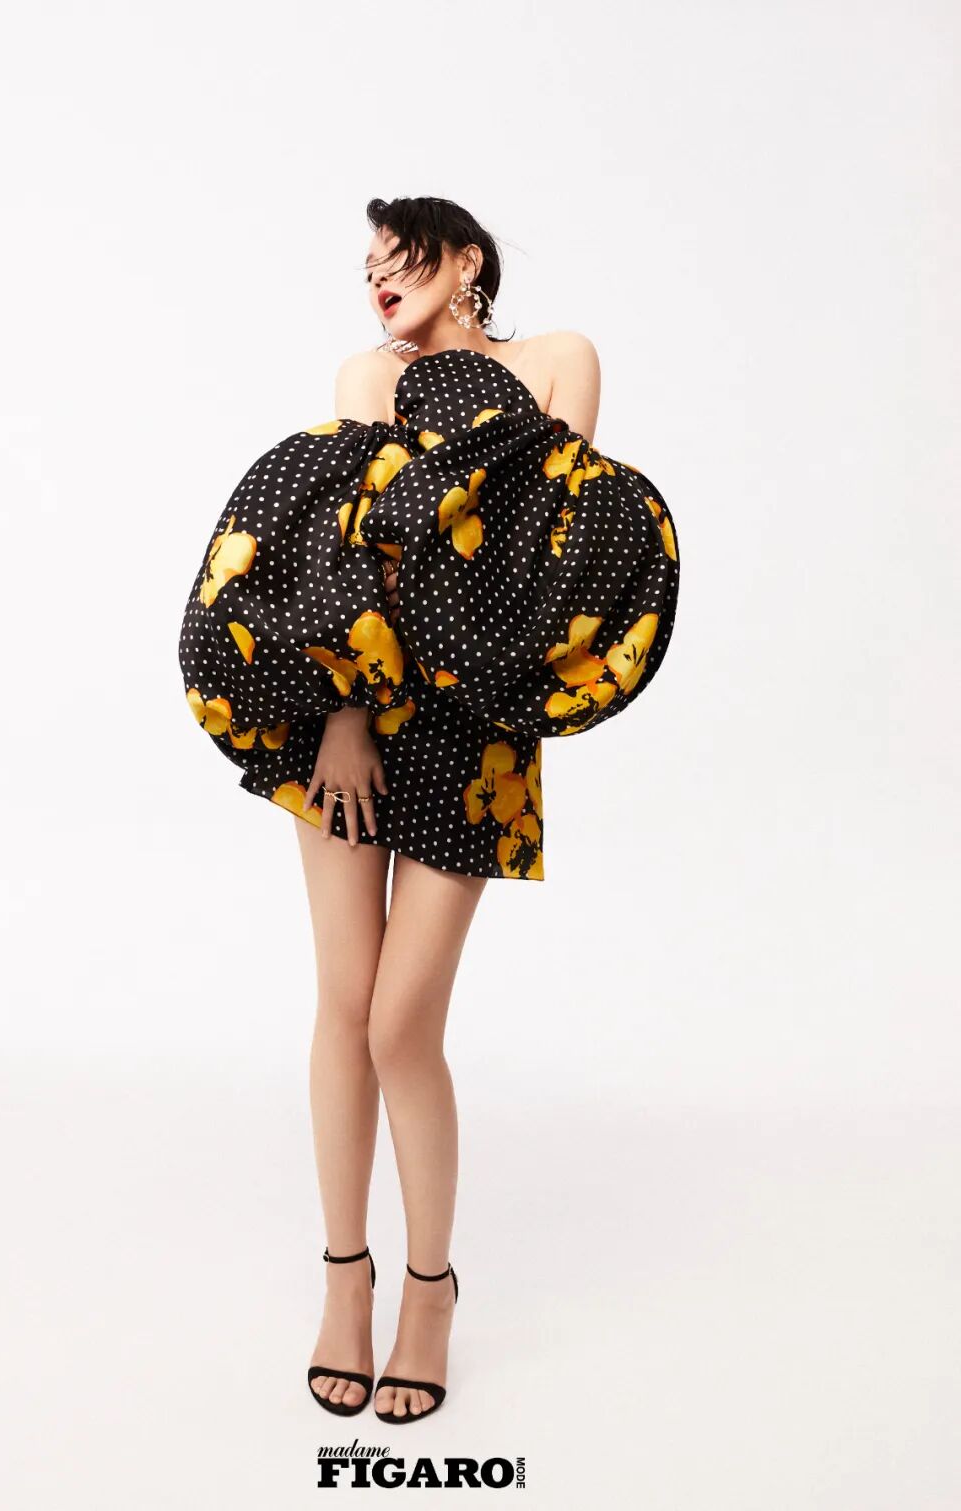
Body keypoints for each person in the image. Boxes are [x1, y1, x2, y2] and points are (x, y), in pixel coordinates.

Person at [177, 195, 680, 1422]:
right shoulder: (366, 377)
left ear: (467, 263)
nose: (378, 281)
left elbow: (550, 541)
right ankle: (345, 1278)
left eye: (399, 259)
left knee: (403, 1021)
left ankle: (431, 1288)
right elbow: (342, 557)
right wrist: (342, 718)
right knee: (346, 1006)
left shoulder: (556, 360)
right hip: (352, 717)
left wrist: (442, 530)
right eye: (366, 267)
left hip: (478, 720)